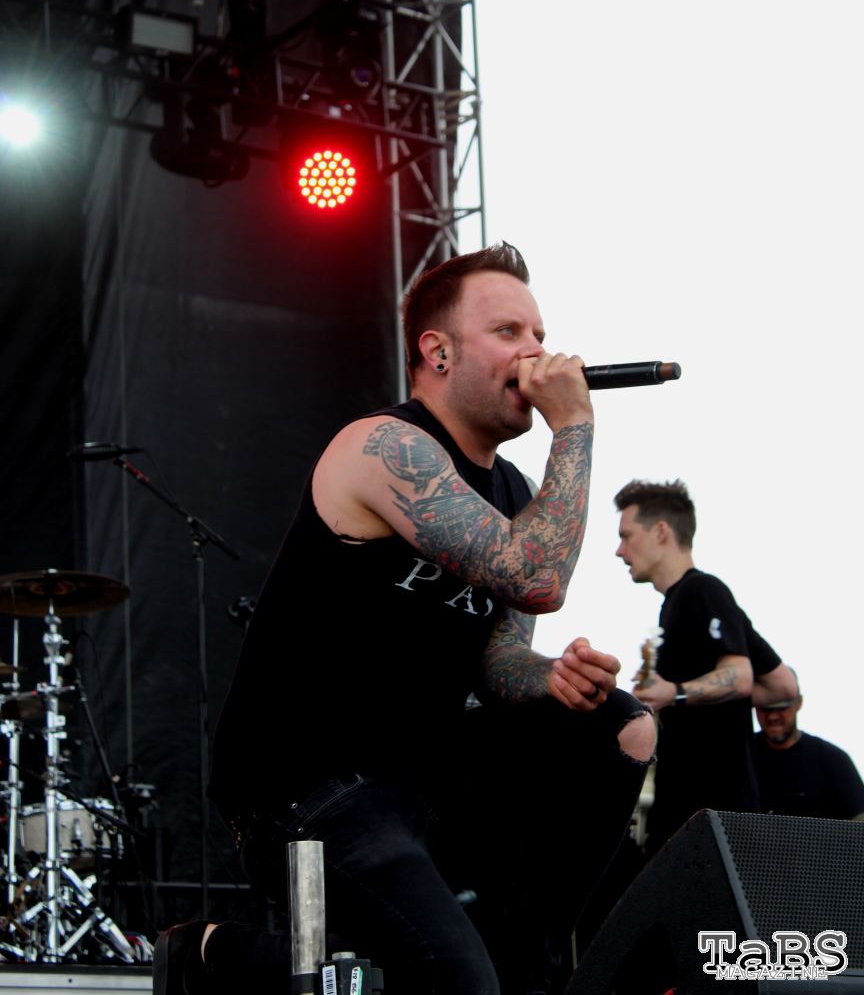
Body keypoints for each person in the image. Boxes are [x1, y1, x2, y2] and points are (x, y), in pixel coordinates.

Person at [155, 242, 656, 995]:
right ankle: (222, 955)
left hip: (427, 775)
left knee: (623, 727)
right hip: (310, 785)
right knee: (451, 979)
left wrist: (554, 677)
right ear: (438, 352)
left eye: (540, 335)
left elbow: (496, 658)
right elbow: (537, 577)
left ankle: (534, 955)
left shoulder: (515, 493)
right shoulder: (383, 447)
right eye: (509, 332)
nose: (536, 353)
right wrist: (575, 426)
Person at [613, 478, 795, 857]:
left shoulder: (703, 591)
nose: (619, 550)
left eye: (626, 536)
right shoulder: (682, 603)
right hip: (699, 816)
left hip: (711, 817)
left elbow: (740, 677)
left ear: (661, 531)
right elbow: (781, 687)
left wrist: (674, 692)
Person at [754, 671, 864, 820]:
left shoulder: (832, 759)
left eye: (782, 708)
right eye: (765, 709)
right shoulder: (738, 757)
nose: (772, 716)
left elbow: (859, 820)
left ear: (799, 703)